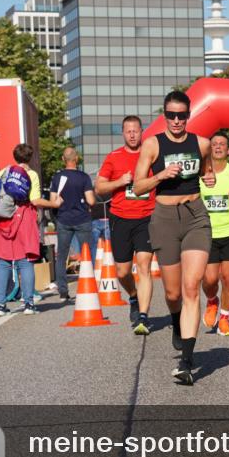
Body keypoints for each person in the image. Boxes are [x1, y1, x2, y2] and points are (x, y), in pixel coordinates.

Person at [133, 90, 215, 385]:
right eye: (171, 115)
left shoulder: (201, 143)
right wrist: (160, 176)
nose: (177, 120)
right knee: (172, 294)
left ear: (189, 115)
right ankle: (177, 324)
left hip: (196, 216)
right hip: (165, 219)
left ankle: (187, 362)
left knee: (191, 287)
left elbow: (208, 173)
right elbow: (138, 187)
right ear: (164, 115)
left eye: (181, 115)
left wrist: (209, 178)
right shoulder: (152, 145)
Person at [96, 115, 157, 335]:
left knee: (144, 265)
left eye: (136, 131)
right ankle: (133, 296)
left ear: (142, 132)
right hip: (120, 218)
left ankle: (143, 316)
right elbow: (99, 188)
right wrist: (119, 182)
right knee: (122, 272)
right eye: (128, 131)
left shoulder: (151, 155)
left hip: (147, 217)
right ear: (123, 133)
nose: (132, 135)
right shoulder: (113, 157)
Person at [0, 144, 54, 315]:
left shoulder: (4, 171)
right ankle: (29, 304)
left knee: (3, 263)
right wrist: (54, 204)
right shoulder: (31, 174)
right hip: (23, 218)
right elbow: (35, 200)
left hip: (4, 219)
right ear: (30, 157)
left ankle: (0, 305)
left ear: (15, 156)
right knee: (25, 262)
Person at [200, 133, 229, 336]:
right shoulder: (201, 174)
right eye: (214, 144)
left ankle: (225, 319)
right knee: (210, 280)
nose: (218, 147)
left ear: (228, 150)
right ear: (209, 149)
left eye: (222, 144)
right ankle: (212, 301)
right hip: (207, 233)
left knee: (228, 277)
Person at [49, 147, 96, 302]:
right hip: (83, 219)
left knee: (62, 256)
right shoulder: (84, 177)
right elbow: (91, 201)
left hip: (63, 219)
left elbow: (53, 201)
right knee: (87, 254)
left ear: (63, 159)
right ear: (77, 159)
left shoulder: (57, 178)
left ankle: (63, 291)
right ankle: (90, 287)